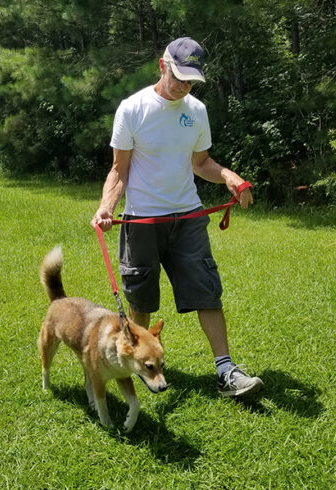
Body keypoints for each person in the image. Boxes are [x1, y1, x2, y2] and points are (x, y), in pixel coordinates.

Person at [90, 37, 263, 397]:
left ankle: (226, 371)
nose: (183, 86)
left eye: (190, 80)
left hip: (188, 217)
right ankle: (134, 367)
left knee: (207, 292)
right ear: (162, 65)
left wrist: (229, 176)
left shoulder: (196, 111)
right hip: (141, 221)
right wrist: (106, 207)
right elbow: (119, 170)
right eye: (178, 76)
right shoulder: (133, 109)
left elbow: (201, 164)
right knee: (140, 302)